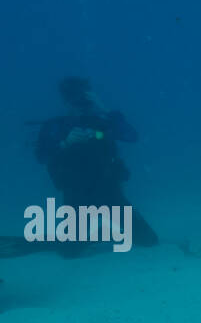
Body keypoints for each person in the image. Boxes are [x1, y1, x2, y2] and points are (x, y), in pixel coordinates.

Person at [35, 77, 159, 255]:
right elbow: (41, 156)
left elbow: (131, 136)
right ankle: (91, 234)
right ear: (65, 100)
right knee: (70, 252)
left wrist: (104, 110)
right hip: (76, 192)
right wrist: (65, 143)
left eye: (84, 98)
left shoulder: (102, 121)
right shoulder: (55, 126)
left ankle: (99, 231)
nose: (81, 104)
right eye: (74, 99)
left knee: (148, 240)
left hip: (108, 189)